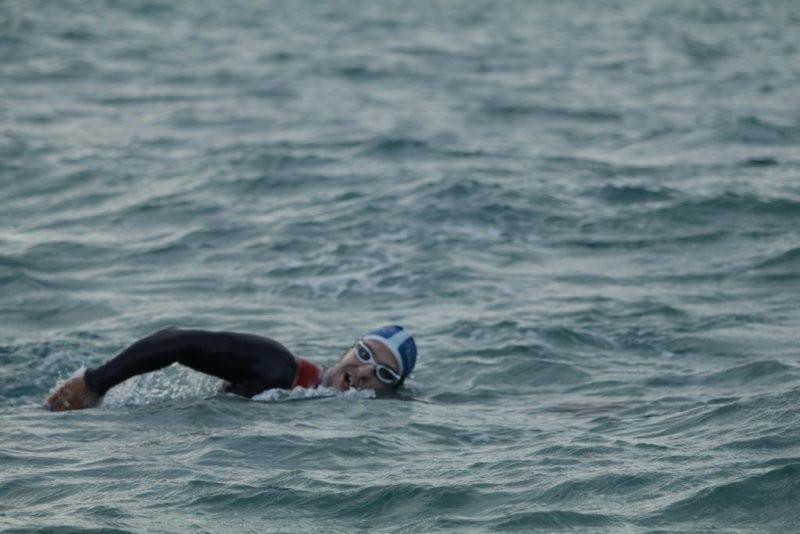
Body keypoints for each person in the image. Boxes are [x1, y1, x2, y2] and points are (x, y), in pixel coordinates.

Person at [45, 325, 417, 411]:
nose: (367, 372)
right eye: (365, 355)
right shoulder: (279, 368)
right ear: (346, 349)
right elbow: (179, 341)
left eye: (384, 374)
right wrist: (94, 384)